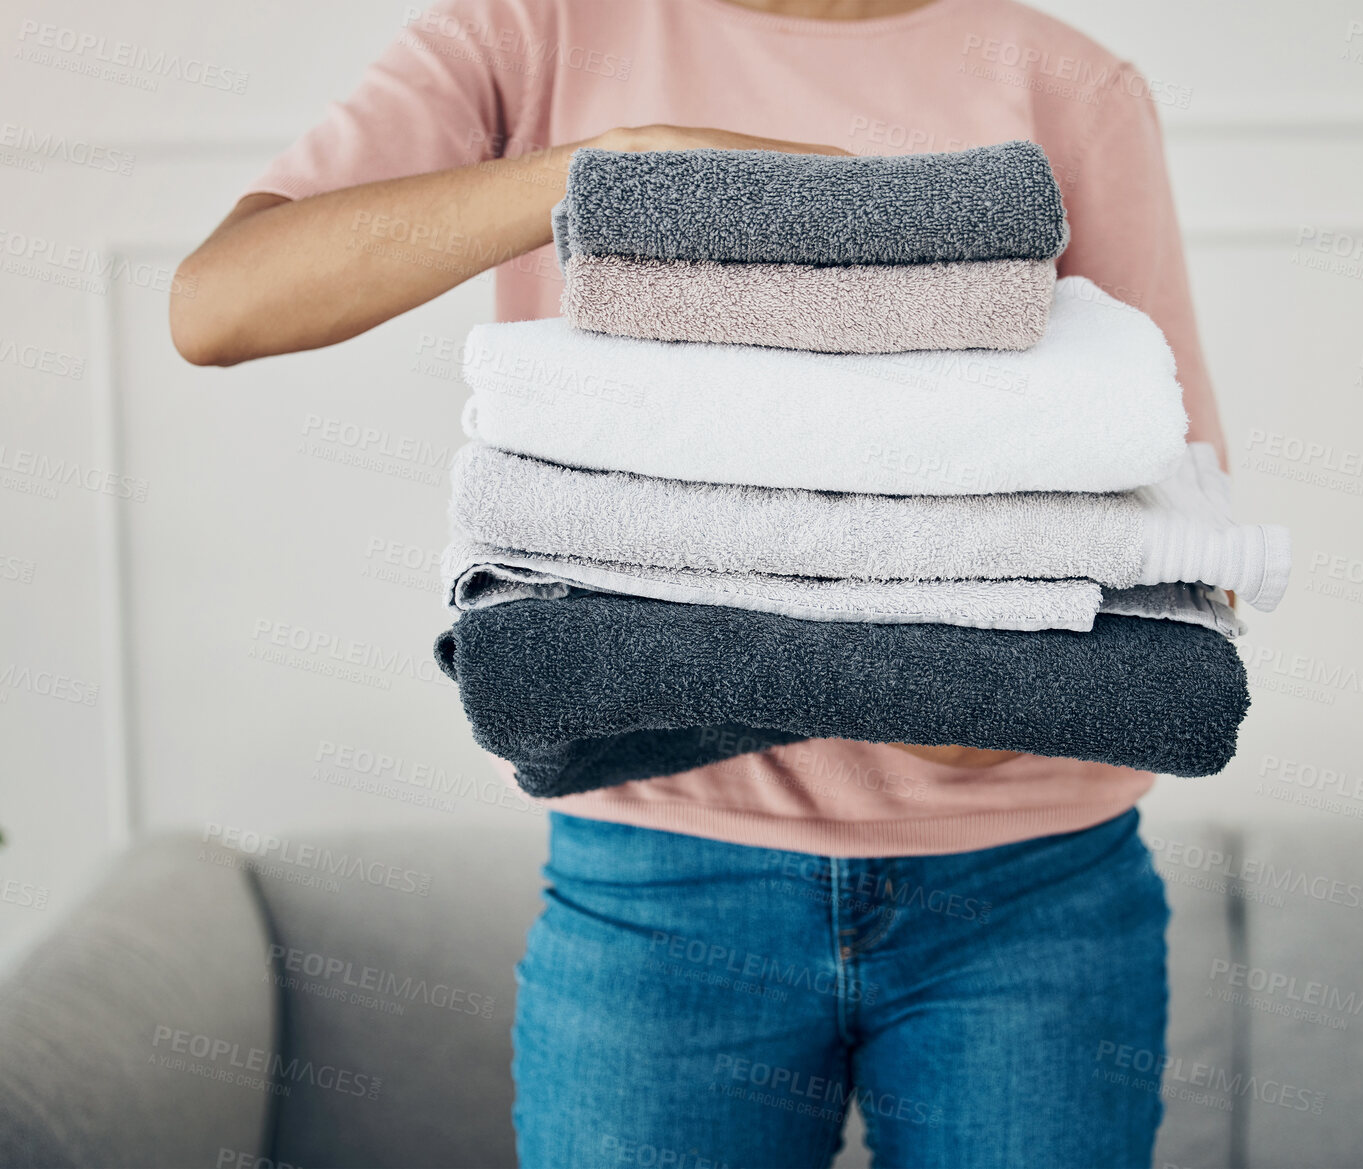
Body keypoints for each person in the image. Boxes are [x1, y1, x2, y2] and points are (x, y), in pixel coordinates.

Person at [173, 1, 1228, 1164]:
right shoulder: (535, 33)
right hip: (660, 886)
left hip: (1029, 891)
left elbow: (1169, 513)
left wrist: (973, 695)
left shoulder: (1065, 82)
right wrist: (611, 170)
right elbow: (219, 302)